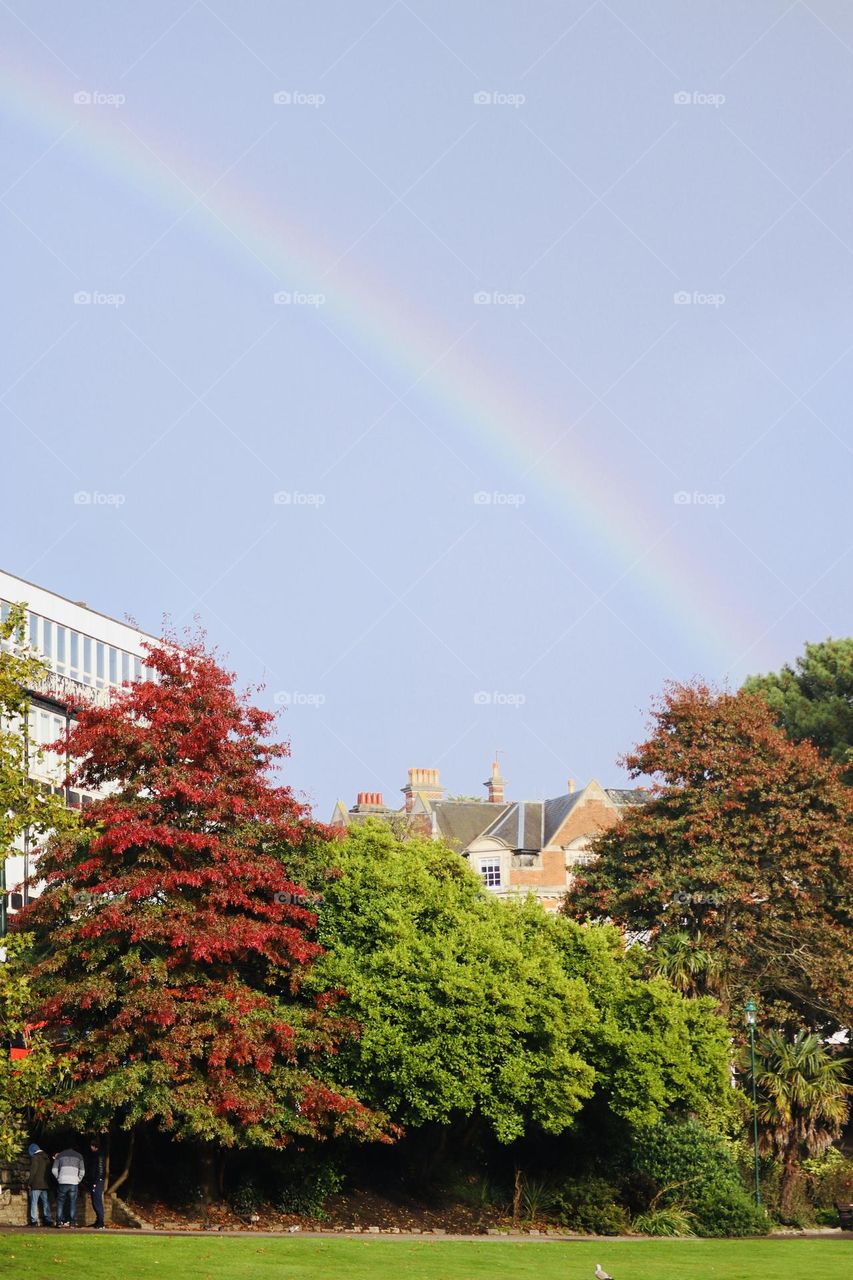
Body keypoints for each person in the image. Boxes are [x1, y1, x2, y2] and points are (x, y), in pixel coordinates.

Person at [52, 1145, 85, 1227]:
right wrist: (78, 1179)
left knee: (60, 1202)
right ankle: (72, 1223)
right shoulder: (79, 1156)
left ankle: (59, 1222)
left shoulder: (60, 1155)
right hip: (73, 1182)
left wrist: (58, 1178)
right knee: (72, 1202)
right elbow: (82, 1171)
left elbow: (54, 1170)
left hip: (62, 1181)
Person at [27, 1143, 54, 1227]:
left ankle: (34, 1220)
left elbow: (33, 1172)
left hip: (36, 1184)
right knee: (46, 1202)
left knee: (34, 1202)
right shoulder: (46, 1157)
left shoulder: (35, 1157)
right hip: (45, 1184)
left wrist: (29, 1183)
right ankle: (48, 1219)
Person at [85, 1137, 106, 1230]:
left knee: (97, 1202)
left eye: (91, 1146)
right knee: (95, 1202)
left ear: (94, 1146)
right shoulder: (95, 1155)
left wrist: (96, 1182)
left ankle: (101, 1222)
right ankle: (98, 1221)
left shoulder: (99, 1156)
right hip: (95, 1181)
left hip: (97, 1181)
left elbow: (100, 1170)